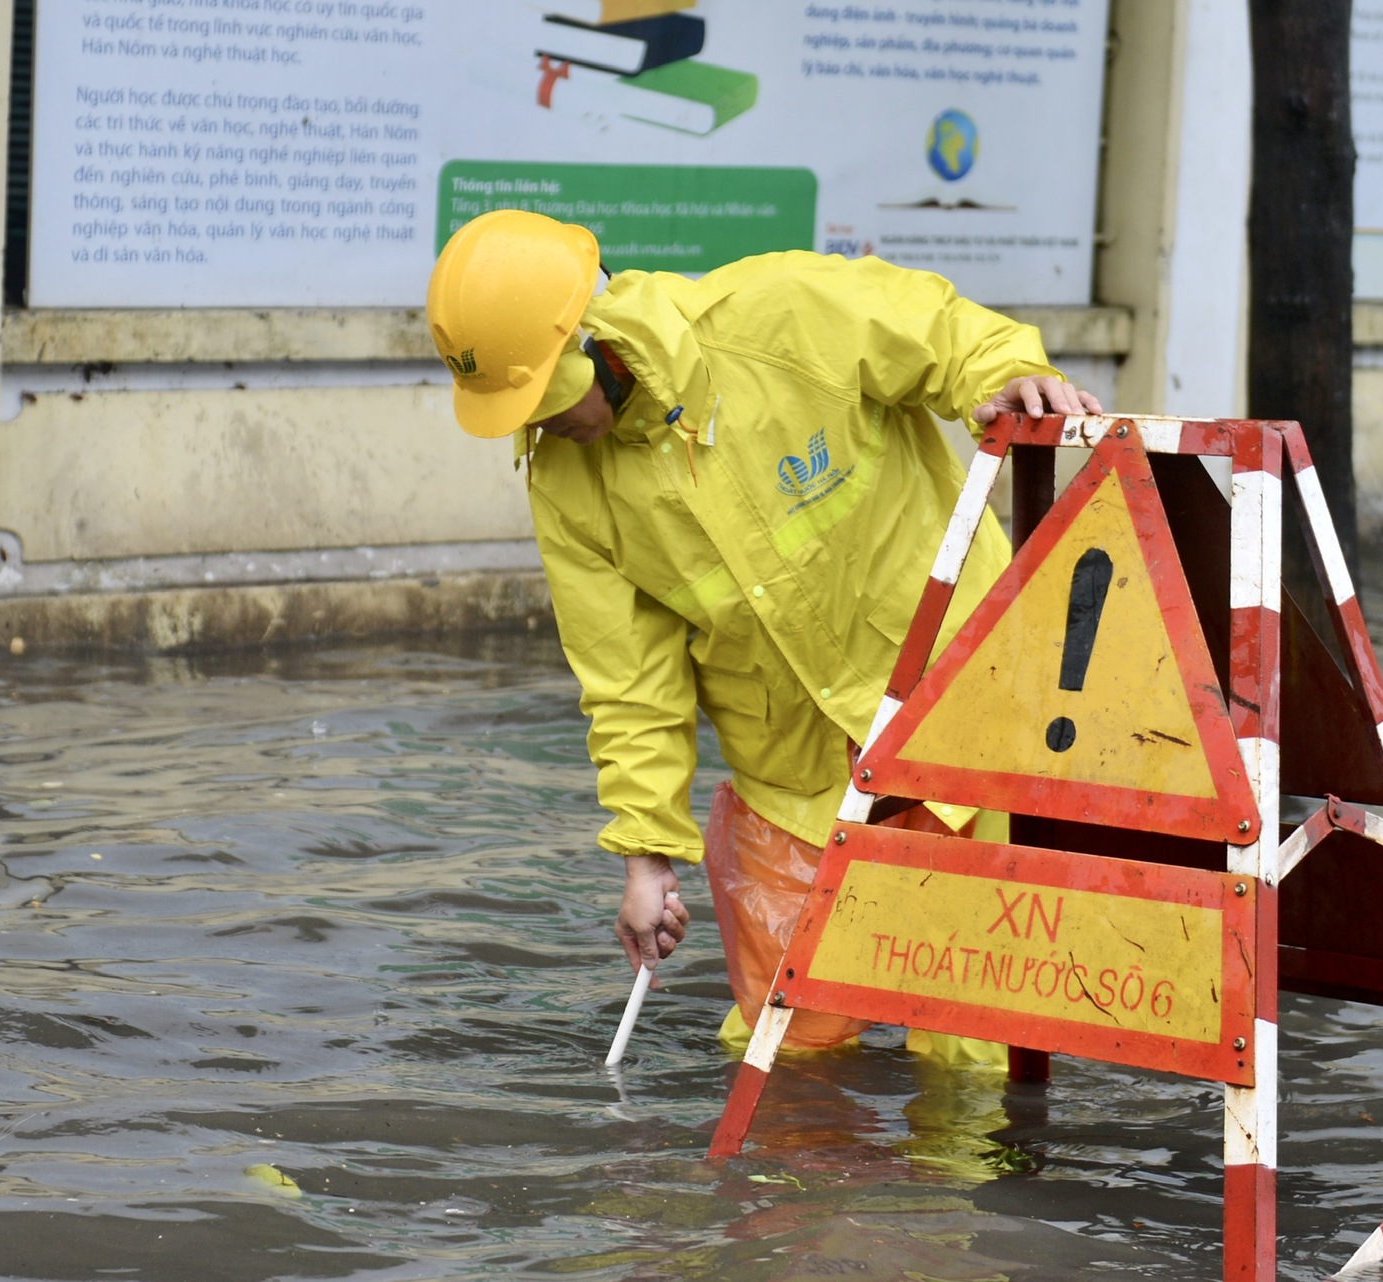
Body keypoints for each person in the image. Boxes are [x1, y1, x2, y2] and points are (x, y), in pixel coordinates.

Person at [425, 209, 1101, 1056]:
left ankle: (970, 1145)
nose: (540, 424)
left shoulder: (781, 314)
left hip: (960, 710)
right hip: (792, 775)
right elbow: (629, 683)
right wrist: (646, 855)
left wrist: (1007, 377)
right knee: (784, 1053)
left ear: (599, 344)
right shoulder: (566, 481)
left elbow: (940, 330)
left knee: (973, 1042)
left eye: (544, 399)